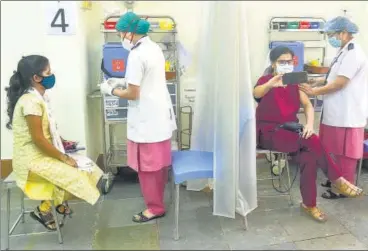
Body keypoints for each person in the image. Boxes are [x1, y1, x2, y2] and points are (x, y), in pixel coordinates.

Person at [253, 46, 363, 222]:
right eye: (282, 62)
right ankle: (337, 179)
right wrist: (271, 83)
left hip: (291, 131)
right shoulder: (265, 81)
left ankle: (309, 204)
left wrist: (310, 124)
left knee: (309, 156)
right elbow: (256, 93)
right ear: (273, 63)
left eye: (289, 61)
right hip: (269, 133)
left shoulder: (294, 83)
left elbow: (308, 105)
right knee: (311, 142)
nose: (286, 64)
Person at [5, 55, 103, 231]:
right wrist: (63, 158)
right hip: (31, 160)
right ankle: (44, 209)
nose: (52, 75)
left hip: (43, 153)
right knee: (75, 175)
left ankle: (56, 203)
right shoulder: (30, 102)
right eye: (48, 72)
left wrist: (63, 142)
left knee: (89, 168)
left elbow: (47, 130)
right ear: (36, 78)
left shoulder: (40, 97)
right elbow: (38, 139)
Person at [100, 12, 177, 223]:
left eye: (121, 33)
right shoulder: (154, 48)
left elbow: (133, 93)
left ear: (131, 33)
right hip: (159, 118)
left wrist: (110, 91)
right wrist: (120, 81)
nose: (121, 37)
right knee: (158, 166)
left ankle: (154, 208)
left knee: (147, 169)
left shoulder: (136, 55)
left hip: (145, 121)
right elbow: (143, 80)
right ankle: (158, 201)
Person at [299, 16, 368, 199]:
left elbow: (340, 83)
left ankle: (344, 188)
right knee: (332, 148)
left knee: (345, 153)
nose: (331, 38)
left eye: (332, 34)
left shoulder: (354, 53)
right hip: (335, 110)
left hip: (348, 112)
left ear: (344, 33)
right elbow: (332, 76)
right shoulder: (342, 51)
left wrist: (314, 92)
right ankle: (335, 179)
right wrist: (315, 81)